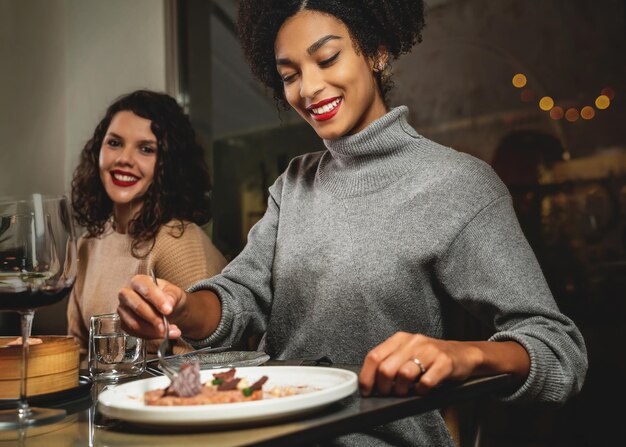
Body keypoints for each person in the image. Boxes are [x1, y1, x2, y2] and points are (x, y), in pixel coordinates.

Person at [117, 2, 588, 445]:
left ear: (377, 50)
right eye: (290, 75)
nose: (309, 88)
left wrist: (465, 355)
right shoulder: (294, 183)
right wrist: (178, 309)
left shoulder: (456, 184)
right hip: (270, 433)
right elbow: (239, 298)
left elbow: (559, 350)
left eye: (327, 58)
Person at [68, 89, 227, 354]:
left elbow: (205, 360)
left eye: (146, 149)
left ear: (168, 163)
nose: (124, 159)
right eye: (115, 143)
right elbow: (77, 352)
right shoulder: (87, 244)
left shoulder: (179, 241)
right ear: (98, 150)